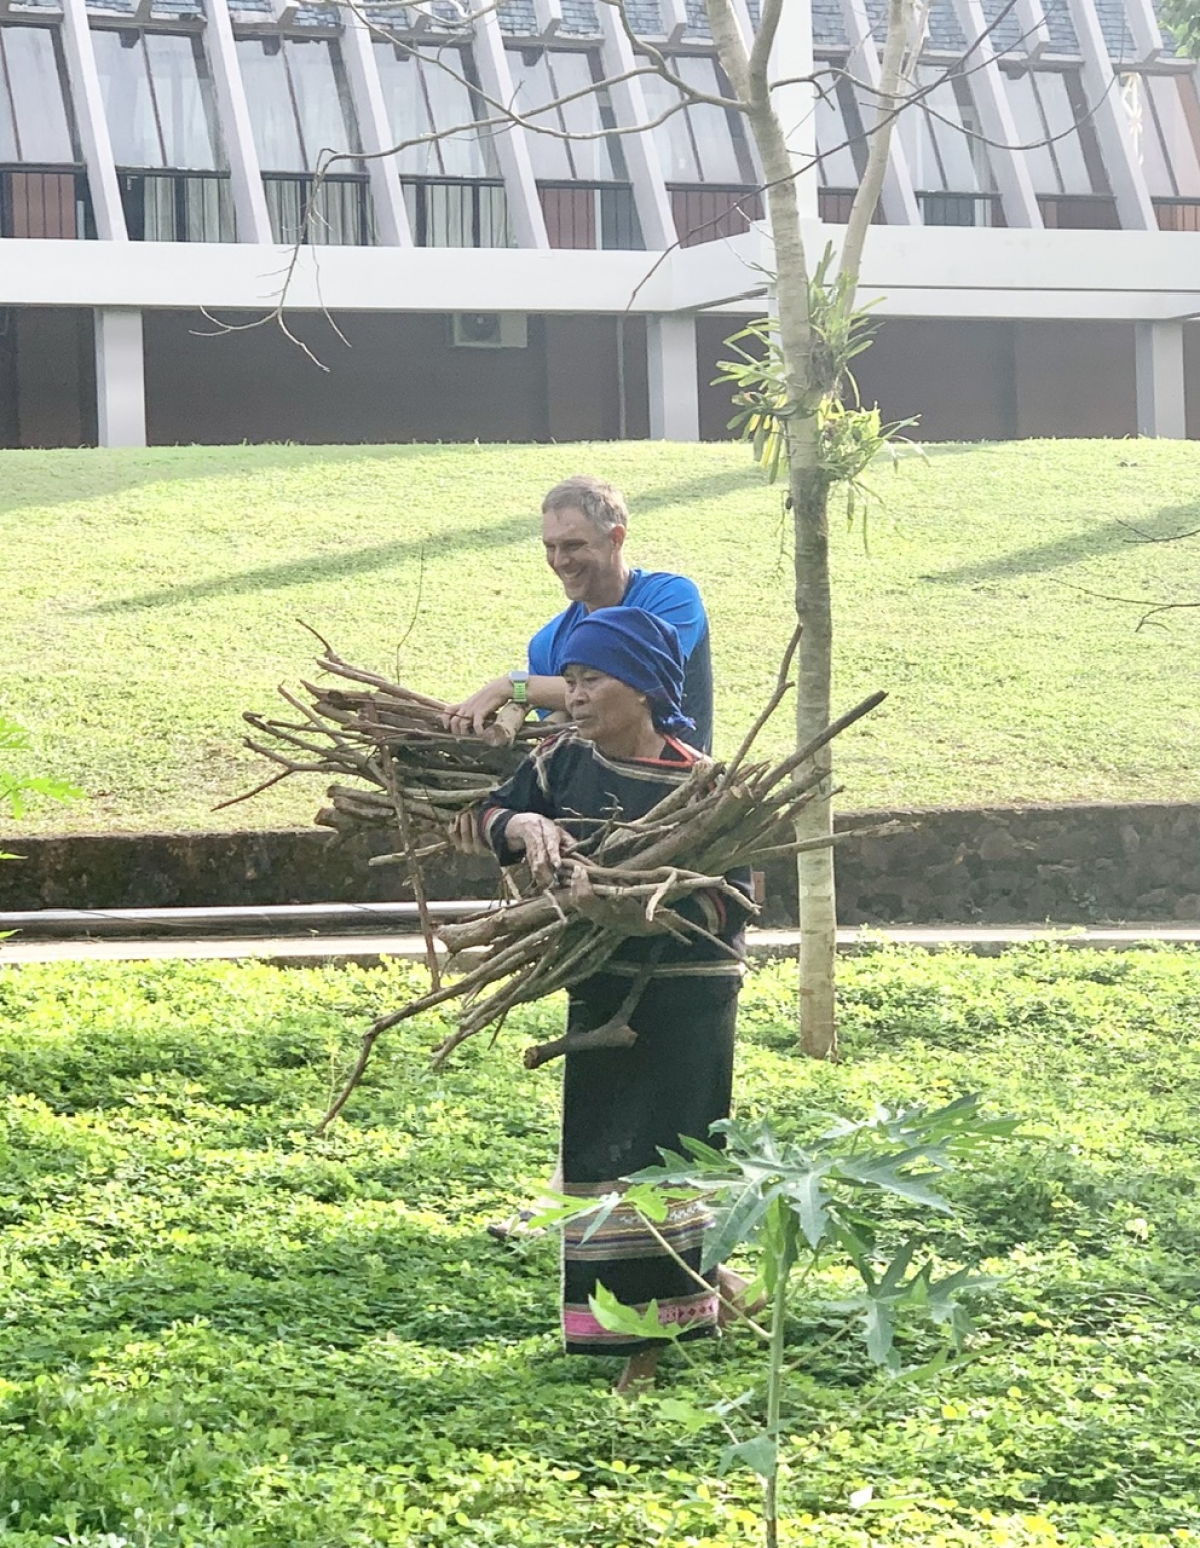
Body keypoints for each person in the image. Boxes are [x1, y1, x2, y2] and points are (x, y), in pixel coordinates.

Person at [476, 607, 751, 1393]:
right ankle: (700, 1302)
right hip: (599, 997)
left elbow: (731, 904)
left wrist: (633, 907)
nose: (574, 696)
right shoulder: (561, 764)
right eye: (570, 680)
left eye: (591, 679)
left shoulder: (706, 786)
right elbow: (482, 817)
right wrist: (524, 822)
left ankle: (647, 1354)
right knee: (601, 1159)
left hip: (682, 1005)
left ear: (641, 687)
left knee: (657, 1169)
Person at [444, 475, 714, 754]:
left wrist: (514, 687)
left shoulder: (671, 598)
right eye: (551, 547)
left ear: (616, 539)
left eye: (573, 545)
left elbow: (637, 682)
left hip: (677, 786)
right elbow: (560, 728)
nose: (560, 561)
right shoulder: (547, 644)